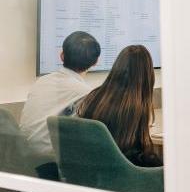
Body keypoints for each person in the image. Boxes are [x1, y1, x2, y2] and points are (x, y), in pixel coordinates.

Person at [20, 31, 101, 164]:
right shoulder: (86, 93)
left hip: (23, 160)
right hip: (50, 166)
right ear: (96, 61)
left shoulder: (42, 81)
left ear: (61, 56)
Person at [74, 45, 161, 167]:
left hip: (97, 169)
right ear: (147, 75)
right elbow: (138, 151)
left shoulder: (95, 96)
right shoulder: (135, 105)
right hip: (125, 171)